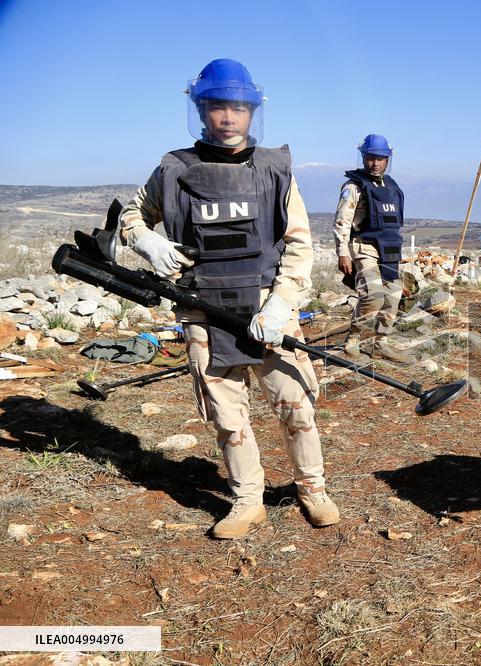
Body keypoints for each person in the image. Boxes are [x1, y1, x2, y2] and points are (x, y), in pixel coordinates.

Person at [118, 58, 339, 539]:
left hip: (267, 307)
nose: (228, 117)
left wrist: (281, 305)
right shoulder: (174, 170)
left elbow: (300, 244)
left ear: (251, 112)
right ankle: (246, 500)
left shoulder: (276, 170)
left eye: (238, 108)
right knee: (226, 413)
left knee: (296, 403)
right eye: (217, 106)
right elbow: (131, 216)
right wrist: (147, 241)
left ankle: (313, 488)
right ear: (201, 110)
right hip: (203, 309)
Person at [334, 134, 410, 362]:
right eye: (370, 158)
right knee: (373, 296)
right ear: (363, 158)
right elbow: (342, 221)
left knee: (392, 298)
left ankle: (381, 343)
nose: (375, 163)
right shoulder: (353, 186)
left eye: (380, 158)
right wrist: (343, 253)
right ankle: (352, 340)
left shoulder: (392, 186)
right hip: (364, 247)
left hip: (390, 250)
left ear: (387, 159)